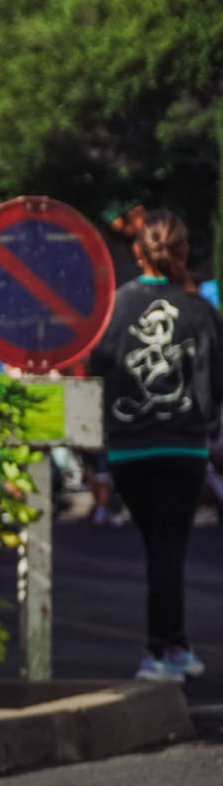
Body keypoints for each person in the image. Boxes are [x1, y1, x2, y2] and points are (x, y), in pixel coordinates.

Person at [86, 208, 223, 682]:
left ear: (138, 252)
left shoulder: (114, 308)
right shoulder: (202, 310)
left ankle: (176, 644)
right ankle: (159, 651)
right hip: (183, 446)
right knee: (169, 548)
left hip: (130, 448)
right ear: (184, 250)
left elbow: (96, 371)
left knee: (159, 547)